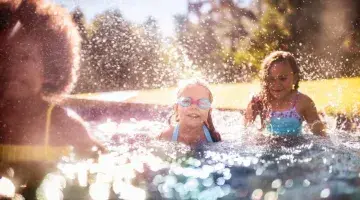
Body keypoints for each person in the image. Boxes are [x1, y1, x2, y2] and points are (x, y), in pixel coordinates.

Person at [0, 0, 103, 198]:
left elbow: (100, 166)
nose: (11, 66)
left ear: (49, 69)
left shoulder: (64, 122)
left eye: (25, 57)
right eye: (3, 55)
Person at [244, 51, 326, 136]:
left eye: (282, 78)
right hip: (268, 146)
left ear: (294, 78)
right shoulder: (259, 101)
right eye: (271, 79)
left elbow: (320, 134)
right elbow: (246, 132)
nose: (277, 84)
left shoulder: (303, 102)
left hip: (297, 146)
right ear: (265, 80)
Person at [158, 79, 221, 146]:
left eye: (202, 103)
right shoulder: (166, 136)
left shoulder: (214, 137)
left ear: (209, 111)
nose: (194, 107)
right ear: (176, 108)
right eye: (186, 101)